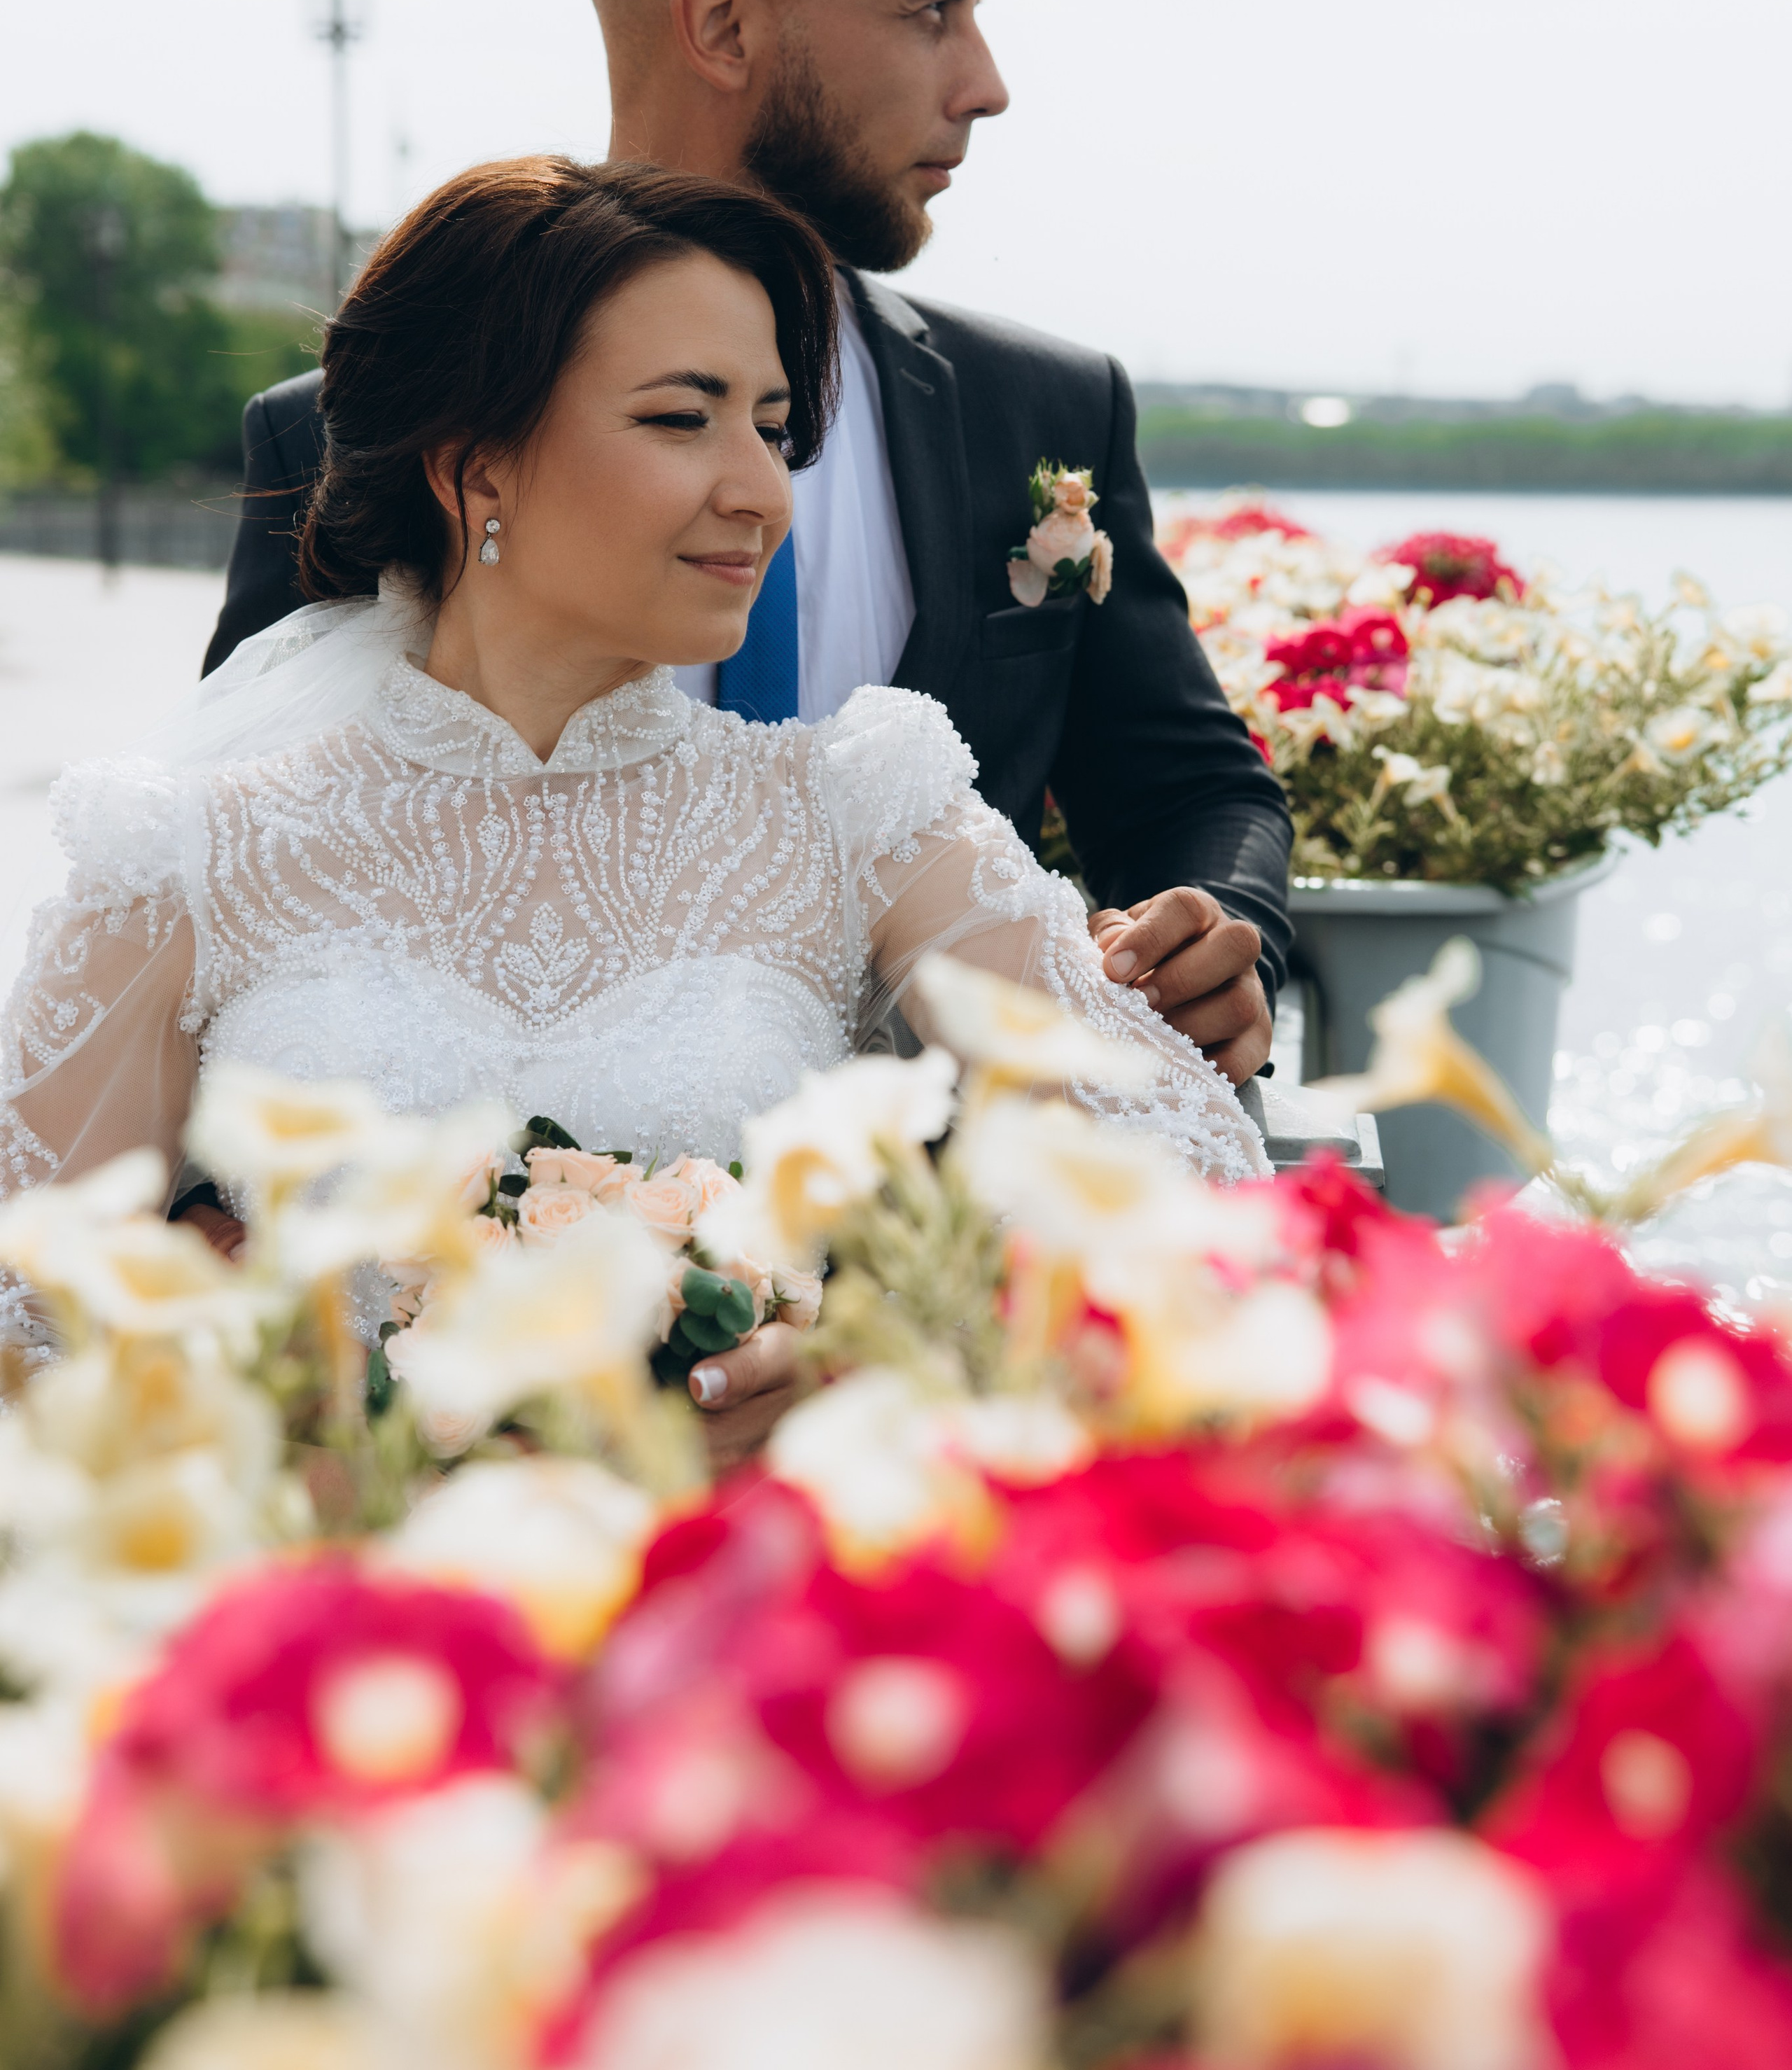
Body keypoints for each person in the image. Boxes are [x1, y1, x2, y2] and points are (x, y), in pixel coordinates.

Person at [1, 162, 1269, 1459]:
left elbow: (1191, 1221)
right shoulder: (193, 856)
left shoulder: (861, 816)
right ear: (476, 463)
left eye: (773, 428)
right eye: (684, 420)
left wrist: (865, 1357)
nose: (764, 492)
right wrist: (268, 1408)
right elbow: (26, 1327)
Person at [206, 0, 1292, 1079]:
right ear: (722, 23)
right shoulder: (357, 435)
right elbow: (240, 879)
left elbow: (1189, 791)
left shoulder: (1044, 412)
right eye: (931, 12)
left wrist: (1209, 937)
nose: (986, 83)